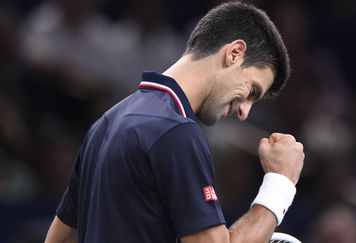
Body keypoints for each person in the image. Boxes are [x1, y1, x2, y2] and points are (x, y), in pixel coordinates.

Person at [44, 2, 304, 243]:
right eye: (252, 91)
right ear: (234, 53)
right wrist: (280, 182)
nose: (244, 111)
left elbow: (59, 238)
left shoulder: (106, 122)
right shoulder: (175, 131)